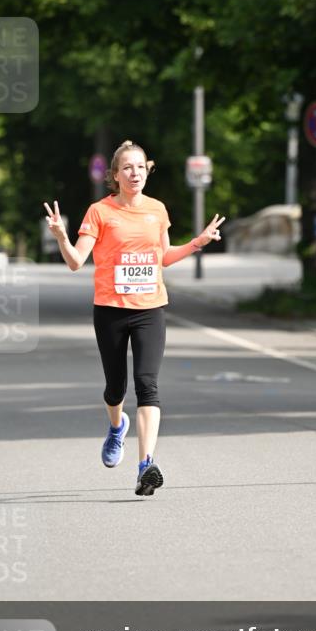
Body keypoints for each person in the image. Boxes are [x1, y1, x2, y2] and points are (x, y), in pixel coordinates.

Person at [44, 140, 224, 497]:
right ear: (115, 175)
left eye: (140, 167)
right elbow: (76, 262)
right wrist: (62, 237)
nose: (135, 173)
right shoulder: (99, 211)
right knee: (116, 389)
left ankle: (146, 466)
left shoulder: (157, 210)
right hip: (110, 309)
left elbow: (163, 258)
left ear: (148, 170)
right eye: (127, 167)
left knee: (148, 385)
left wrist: (197, 242)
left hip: (150, 308)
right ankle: (116, 428)